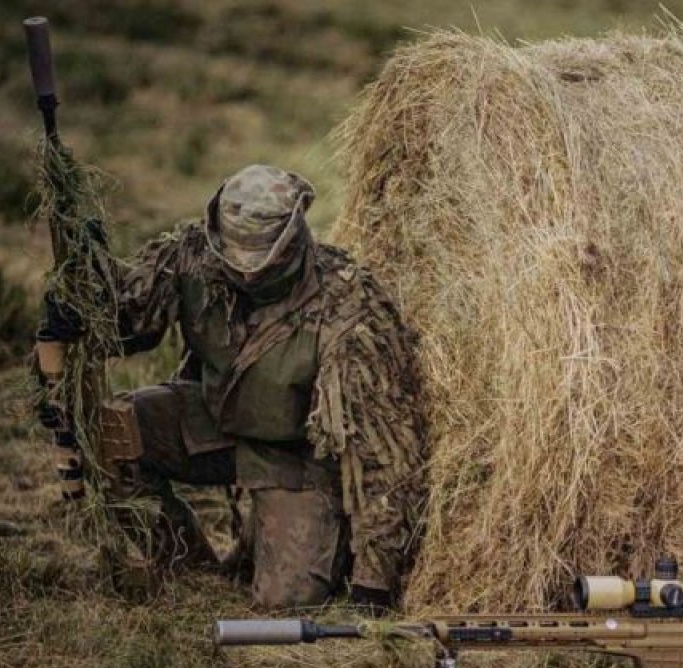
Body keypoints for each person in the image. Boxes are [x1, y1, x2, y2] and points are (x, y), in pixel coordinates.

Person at [41, 164, 426, 611]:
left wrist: (373, 583)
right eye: (234, 263)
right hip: (216, 421)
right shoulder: (194, 255)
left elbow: (384, 455)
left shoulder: (348, 309)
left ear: (294, 243)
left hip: (298, 458)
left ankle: (307, 542)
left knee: (287, 603)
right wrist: (86, 298)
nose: (244, 276)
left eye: (259, 265)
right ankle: (185, 568)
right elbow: (132, 319)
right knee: (114, 430)